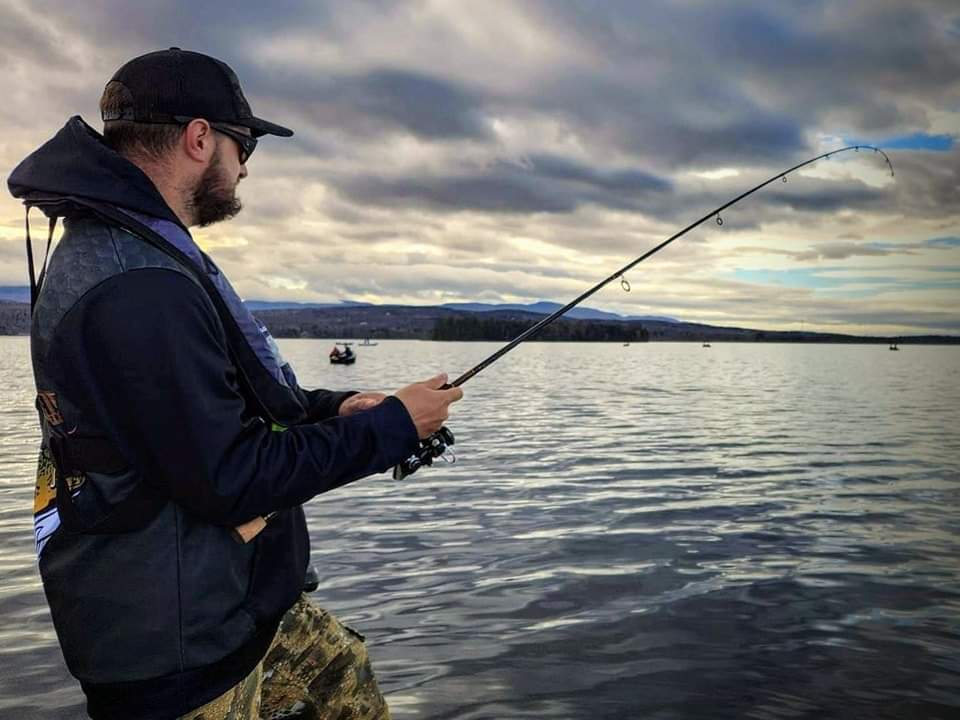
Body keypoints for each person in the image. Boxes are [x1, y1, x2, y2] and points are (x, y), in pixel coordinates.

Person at [7, 48, 463, 720]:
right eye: (242, 143)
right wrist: (392, 428)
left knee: (343, 675)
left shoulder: (135, 251)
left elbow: (223, 401)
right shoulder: (138, 286)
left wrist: (343, 407)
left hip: (229, 603)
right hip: (176, 651)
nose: (246, 164)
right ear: (199, 139)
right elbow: (231, 477)